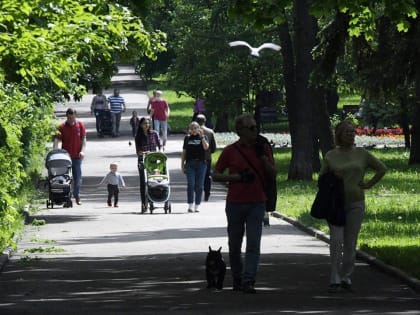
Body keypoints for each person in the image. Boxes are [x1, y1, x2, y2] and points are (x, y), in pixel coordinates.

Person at [319, 120, 386, 293]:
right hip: (335, 204)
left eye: (352, 131)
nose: (351, 134)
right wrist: (333, 176)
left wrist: (369, 184)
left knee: (350, 242)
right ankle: (334, 275)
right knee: (336, 239)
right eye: (347, 132)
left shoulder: (362, 153)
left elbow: (381, 169)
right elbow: (321, 180)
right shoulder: (331, 155)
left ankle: (346, 276)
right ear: (339, 135)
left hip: (356, 202)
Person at [212, 113, 275, 293]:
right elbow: (215, 174)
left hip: (257, 202)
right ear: (240, 130)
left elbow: (273, 173)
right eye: (251, 128)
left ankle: (249, 281)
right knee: (234, 244)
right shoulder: (231, 151)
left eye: (256, 127)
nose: (256, 131)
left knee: (253, 244)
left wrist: (263, 158)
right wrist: (236, 177)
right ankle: (238, 278)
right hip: (235, 203)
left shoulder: (262, 148)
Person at [53, 108, 87, 205]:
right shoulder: (62, 127)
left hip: (77, 156)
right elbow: (57, 141)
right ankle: (67, 198)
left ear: (75, 116)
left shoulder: (80, 125)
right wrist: (56, 151)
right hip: (65, 157)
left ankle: (77, 195)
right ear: (67, 116)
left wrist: (82, 151)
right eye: (69, 118)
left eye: (72, 118)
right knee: (65, 179)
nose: (71, 120)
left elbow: (84, 140)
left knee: (78, 178)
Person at [181, 121, 209, 213]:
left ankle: (197, 205)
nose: (193, 130)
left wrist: (202, 138)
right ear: (189, 130)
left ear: (199, 129)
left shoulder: (204, 137)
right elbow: (184, 152)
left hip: (201, 164)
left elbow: (206, 147)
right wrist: (182, 165)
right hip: (190, 163)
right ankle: (190, 205)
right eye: (192, 128)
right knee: (191, 184)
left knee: (199, 185)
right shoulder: (187, 138)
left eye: (195, 128)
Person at [135, 117, 161, 213]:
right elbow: (138, 151)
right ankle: (144, 203)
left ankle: (152, 201)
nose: (147, 125)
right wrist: (145, 152)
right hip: (143, 160)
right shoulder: (138, 136)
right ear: (141, 125)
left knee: (153, 181)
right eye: (145, 123)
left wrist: (159, 152)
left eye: (148, 123)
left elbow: (160, 145)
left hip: (153, 160)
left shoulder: (154, 134)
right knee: (143, 182)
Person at [195, 114, 216, 201]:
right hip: (207, 157)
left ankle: (197, 194)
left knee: (197, 176)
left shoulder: (193, 131)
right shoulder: (210, 132)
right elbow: (214, 148)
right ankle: (207, 193)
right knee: (207, 176)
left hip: (196, 158)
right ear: (205, 121)